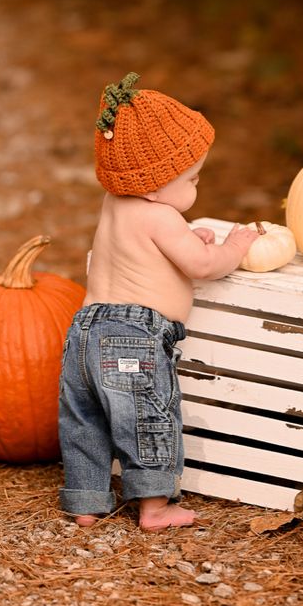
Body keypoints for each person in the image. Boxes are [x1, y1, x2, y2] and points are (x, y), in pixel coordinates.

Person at [58, 72, 259, 532]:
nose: (196, 187)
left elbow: (149, 253)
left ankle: (85, 500)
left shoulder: (115, 203)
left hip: (85, 331)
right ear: (152, 185)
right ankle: (154, 508)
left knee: (85, 419)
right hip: (133, 337)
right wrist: (235, 246)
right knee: (147, 416)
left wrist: (191, 237)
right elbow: (203, 267)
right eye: (193, 178)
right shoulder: (162, 214)